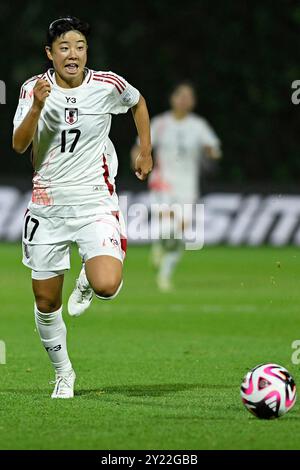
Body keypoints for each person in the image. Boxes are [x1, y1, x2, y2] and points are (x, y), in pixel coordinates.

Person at [12, 16, 152, 398]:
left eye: (79, 47)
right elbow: (19, 145)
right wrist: (38, 107)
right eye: (64, 47)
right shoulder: (31, 89)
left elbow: (138, 102)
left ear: (86, 52)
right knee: (46, 301)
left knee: (108, 284)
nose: (72, 54)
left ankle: (89, 279)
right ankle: (64, 374)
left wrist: (145, 149)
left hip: (94, 200)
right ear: (50, 54)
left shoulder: (107, 84)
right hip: (47, 206)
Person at [131, 82, 221, 291]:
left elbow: (215, 150)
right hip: (163, 182)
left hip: (188, 186)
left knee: (180, 234)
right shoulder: (160, 123)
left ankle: (164, 271)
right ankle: (160, 245)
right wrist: (136, 160)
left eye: (189, 96)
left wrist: (211, 153)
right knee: (167, 224)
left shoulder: (199, 125)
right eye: (181, 95)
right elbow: (140, 145)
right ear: (173, 98)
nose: (185, 100)